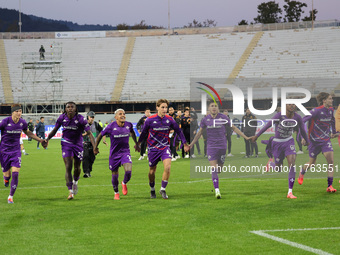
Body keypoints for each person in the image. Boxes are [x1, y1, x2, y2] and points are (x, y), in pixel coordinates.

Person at [190, 101, 250, 199]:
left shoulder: (224, 118)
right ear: (209, 109)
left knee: (219, 170)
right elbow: (199, 133)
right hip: (211, 147)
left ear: (218, 108)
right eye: (212, 106)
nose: (214, 108)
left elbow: (234, 128)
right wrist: (191, 144)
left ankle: (215, 179)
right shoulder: (205, 120)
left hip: (222, 147)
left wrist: (245, 137)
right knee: (213, 169)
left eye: (215, 106)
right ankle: (217, 190)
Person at [251, 104, 309, 199]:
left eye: (293, 104)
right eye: (289, 104)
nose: (292, 106)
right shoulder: (279, 115)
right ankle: (271, 164)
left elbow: (302, 130)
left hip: (289, 141)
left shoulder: (297, 117)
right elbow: (267, 125)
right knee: (278, 168)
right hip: (277, 143)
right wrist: (256, 136)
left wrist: (308, 141)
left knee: (292, 164)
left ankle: (290, 192)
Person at [137, 99, 189, 199]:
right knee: (152, 171)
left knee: (168, 167)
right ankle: (152, 190)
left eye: (166, 108)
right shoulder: (150, 120)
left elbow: (179, 131)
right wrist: (138, 144)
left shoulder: (169, 119)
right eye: (162, 107)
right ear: (157, 108)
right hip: (152, 148)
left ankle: (163, 189)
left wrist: (185, 144)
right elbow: (143, 133)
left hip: (165, 147)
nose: (165, 109)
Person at [46, 102, 95, 200]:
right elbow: (55, 130)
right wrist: (47, 139)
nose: (70, 108)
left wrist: (94, 147)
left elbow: (89, 133)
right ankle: (70, 191)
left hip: (78, 144)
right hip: (66, 143)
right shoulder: (61, 118)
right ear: (65, 109)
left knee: (77, 168)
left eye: (72, 107)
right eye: (68, 107)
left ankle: (75, 182)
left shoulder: (81, 119)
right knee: (68, 166)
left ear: (75, 109)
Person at [0, 104, 47, 203]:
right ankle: (6, 179)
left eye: (20, 111)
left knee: (15, 174)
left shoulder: (22, 122)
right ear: (13, 112)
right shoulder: (5, 122)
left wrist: (41, 140)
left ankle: (10, 196)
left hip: (16, 151)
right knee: (7, 175)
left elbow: (29, 133)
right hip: (4, 151)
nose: (19, 113)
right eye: (17, 111)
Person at [94, 109, 139, 200]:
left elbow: (132, 132)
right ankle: (116, 193)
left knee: (128, 171)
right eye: (120, 114)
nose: (123, 115)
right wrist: (95, 147)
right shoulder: (110, 126)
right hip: (114, 154)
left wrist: (136, 144)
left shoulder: (128, 125)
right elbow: (100, 135)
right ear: (116, 117)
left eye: (124, 114)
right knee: (114, 174)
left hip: (125, 152)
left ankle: (124, 182)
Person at [298, 92, 339, 192]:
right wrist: (303, 137)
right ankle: (302, 172)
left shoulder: (331, 110)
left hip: (325, 140)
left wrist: (333, 132)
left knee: (331, 163)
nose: (332, 100)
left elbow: (332, 121)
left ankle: (330, 186)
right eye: (330, 99)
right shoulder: (315, 111)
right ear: (324, 100)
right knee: (312, 164)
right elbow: (302, 121)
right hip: (314, 141)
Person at [82, 111, 104, 178]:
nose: (92, 118)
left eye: (93, 117)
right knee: (85, 157)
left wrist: (104, 140)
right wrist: (84, 134)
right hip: (84, 143)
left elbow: (103, 132)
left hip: (93, 144)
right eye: (91, 117)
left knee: (92, 158)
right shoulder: (83, 125)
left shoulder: (96, 124)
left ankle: (89, 171)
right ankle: (86, 172)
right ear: (88, 117)